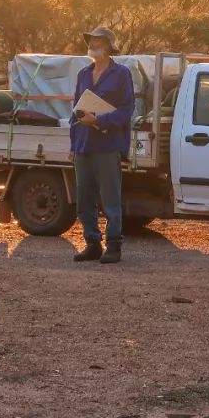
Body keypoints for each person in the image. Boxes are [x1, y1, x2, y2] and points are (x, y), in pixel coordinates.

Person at [69, 26, 135, 264]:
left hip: (108, 145)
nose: (93, 44)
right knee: (84, 198)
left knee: (110, 198)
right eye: (92, 40)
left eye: (98, 41)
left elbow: (128, 110)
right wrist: (73, 144)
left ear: (109, 46)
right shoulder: (83, 74)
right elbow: (75, 110)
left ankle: (114, 246)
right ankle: (92, 244)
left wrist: (100, 120)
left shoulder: (121, 74)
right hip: (83, 145)